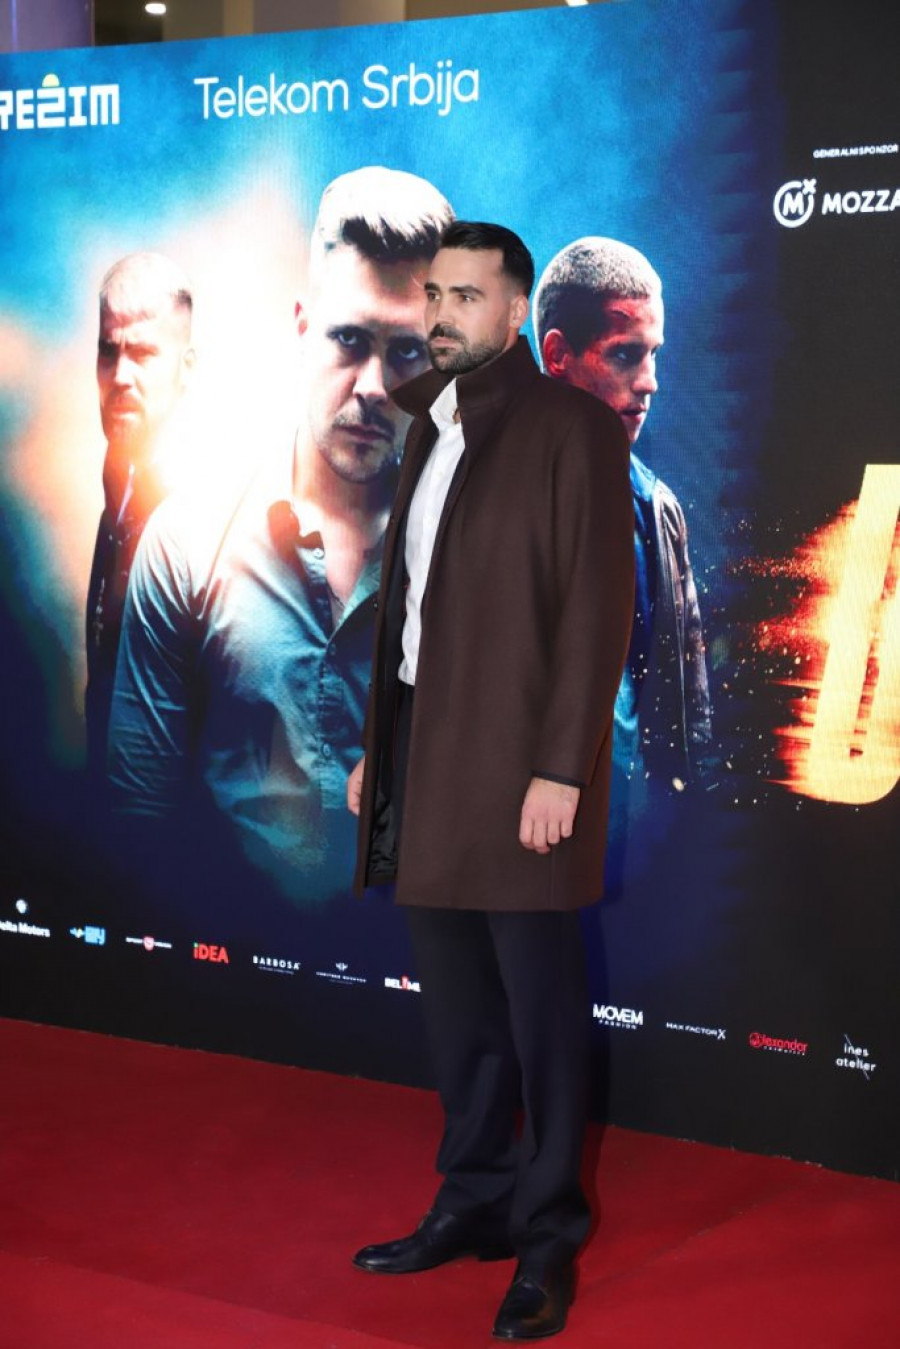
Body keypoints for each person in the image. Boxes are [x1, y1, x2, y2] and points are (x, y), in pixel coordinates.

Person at [347, 222, 634, 1341]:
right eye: (434, 293)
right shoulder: (427, 424)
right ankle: (472, 1198)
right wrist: (383, 744)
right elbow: (409, 615)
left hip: (525, 770)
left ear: (517, 312)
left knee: (542, 1017)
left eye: (466, 296)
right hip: (429, 754)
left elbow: (596, 613)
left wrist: (562, 767)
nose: (441, 314)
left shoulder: (574, 427)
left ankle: (547, 1235)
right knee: (461, 1009)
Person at [107, 168, 453, 922]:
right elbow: (138, 831)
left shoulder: (489, 563)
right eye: (349, 340)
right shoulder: (188, 540)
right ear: (302, 328)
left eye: (406, 354)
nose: (373, 386)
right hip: (218, 972)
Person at [534, 237, 712, 790]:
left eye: (653, 353)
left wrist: (680, 813)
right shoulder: (474, 493)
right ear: (558, 356)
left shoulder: (658, 509)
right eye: (625, 354)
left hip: (627, 827)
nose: (650, 381)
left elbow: (688, 706)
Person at [85, 252, 195, 779]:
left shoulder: (205, 514)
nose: (120, 376)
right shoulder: (119, 488)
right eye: (108, 353)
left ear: (186, 369)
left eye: (144, 353)